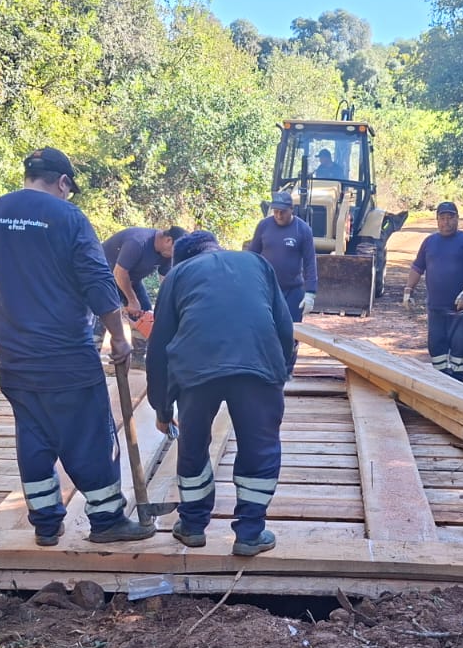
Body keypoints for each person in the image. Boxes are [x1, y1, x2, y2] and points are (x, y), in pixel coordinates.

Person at [0, 147, 155, 547]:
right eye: (69, 188)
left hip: (14, 356)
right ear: (63, 182)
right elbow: (97, 282)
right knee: (89, 436)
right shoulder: (68, 217)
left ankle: (46, 524)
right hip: (66, 356)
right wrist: (120, 338)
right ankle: (107, 519)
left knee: (34, 436)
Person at [146, 231, 295, 557]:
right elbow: (285, 327)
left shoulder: (177, 276)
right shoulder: (257, 263)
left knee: (193, 446)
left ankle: (192, 526)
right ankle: (250, 534)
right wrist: (280, 373)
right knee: (260, 448)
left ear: (182, 259)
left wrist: (162, 408)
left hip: (196, 370)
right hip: (258, 364)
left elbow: (158, 348)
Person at [404, 201, 463, 381]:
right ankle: (440, 380)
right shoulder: (429, 242)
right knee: (436, 347)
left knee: (459, 346)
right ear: (437, 220)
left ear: (457, 219)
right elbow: (417, 267)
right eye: (442, 218)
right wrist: (408, 290)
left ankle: (458, 380)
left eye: (450, 218)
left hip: (459, 308)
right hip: (435, 307)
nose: (446, 222)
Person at [245, 191, 319, 321]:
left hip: (292, 291)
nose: (279, 216)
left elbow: (310, 262)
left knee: (292, 329)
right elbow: (252, 256)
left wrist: (310, 293)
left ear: (291, 209)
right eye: (276, 212)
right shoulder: (264, 226)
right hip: (267, 289)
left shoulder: (303, 229)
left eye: (283, 212)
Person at [101, 225, 187, 316]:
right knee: (108, 315)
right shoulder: (137, 242)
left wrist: (171, 304)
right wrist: (132, 300)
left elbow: (165, 282)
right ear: (168, 240)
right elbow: (119, 273)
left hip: (131, 280)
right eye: (176, 251)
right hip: (105, 277)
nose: (175, 256)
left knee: (146, 315)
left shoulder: (167, 253)